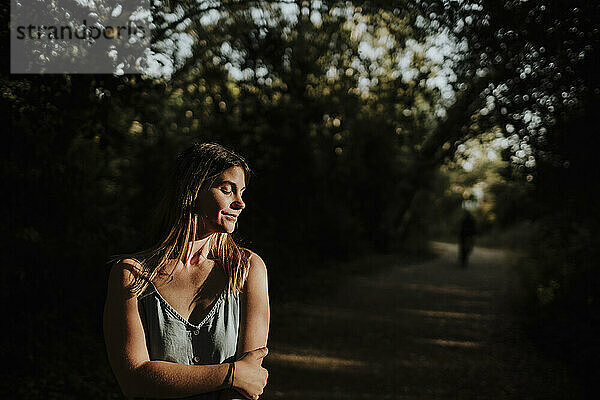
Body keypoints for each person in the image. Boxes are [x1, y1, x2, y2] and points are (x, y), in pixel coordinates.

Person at [103, 143, 270, 400]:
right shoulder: (131, 276)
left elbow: (247, 386)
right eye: (227, 190)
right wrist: (231, 373)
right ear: (192, 190)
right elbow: (135, 381)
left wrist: (239, 377)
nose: (240, 203)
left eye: (242, 192)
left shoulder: (247, 269)